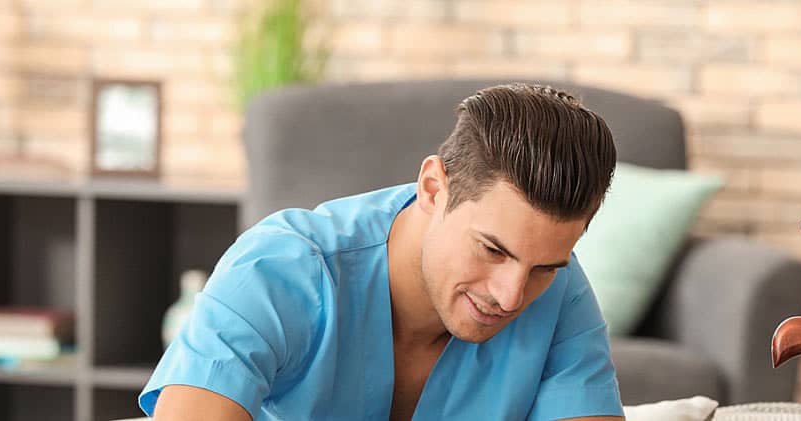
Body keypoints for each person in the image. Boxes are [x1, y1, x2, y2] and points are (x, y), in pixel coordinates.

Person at [140, 83, 625, 421]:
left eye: (543, 267)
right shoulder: (276, 270)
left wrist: (543, 271)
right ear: (434, 188)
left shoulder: (560, 291)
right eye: (493, 250)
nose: (513, 295)